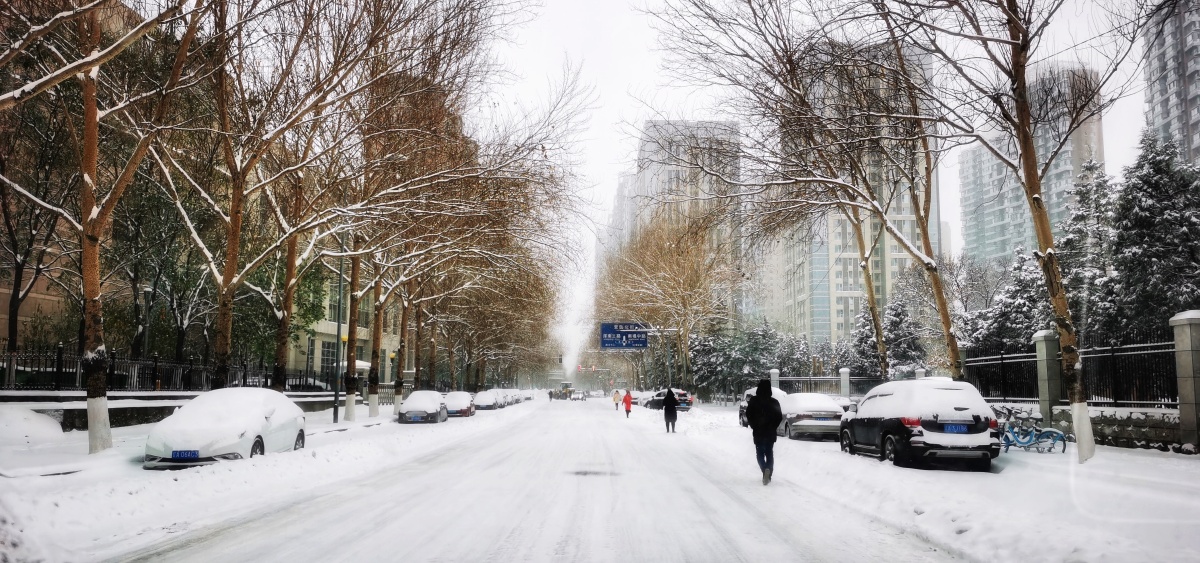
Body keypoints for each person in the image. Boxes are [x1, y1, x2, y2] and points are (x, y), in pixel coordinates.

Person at [745, 379, 783, 485]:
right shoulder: (774, 402)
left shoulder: (753, 401)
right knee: (769, 452)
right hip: (770, 432)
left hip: (758, 432)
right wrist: (773, 427)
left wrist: (754, 425)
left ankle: (764, 469)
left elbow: (748, 415)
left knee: (760, 453)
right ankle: (769, 471)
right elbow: (779, 417)